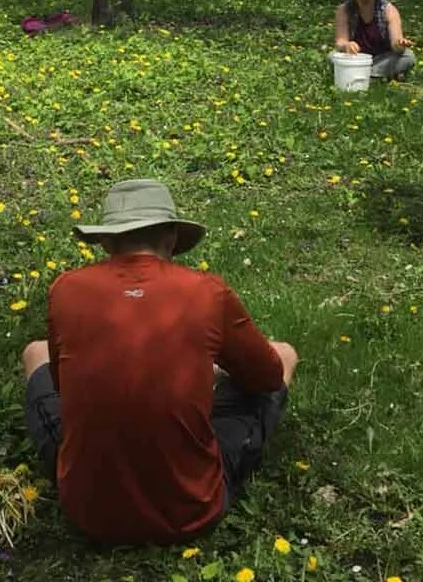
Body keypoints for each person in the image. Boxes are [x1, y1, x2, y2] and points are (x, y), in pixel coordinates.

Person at [22, 179, 298, 546]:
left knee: (35, 351)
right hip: (190, 511)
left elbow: (62, 386)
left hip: (89, 511)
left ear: (106, 241)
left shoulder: (65, 288)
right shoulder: (207, 292)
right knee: (284, 354)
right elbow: (267, 377)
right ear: (171, 238)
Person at [333, 0, 415, 79]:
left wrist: (400, 44)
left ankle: (361, 74)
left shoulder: (388, 10)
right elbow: (340, 41)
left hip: (383, 57)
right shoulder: (344, 10)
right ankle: (376, 74)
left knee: (408, 56)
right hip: (355, 58)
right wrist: (346, 45)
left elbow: (396, 42)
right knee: (332, 56)